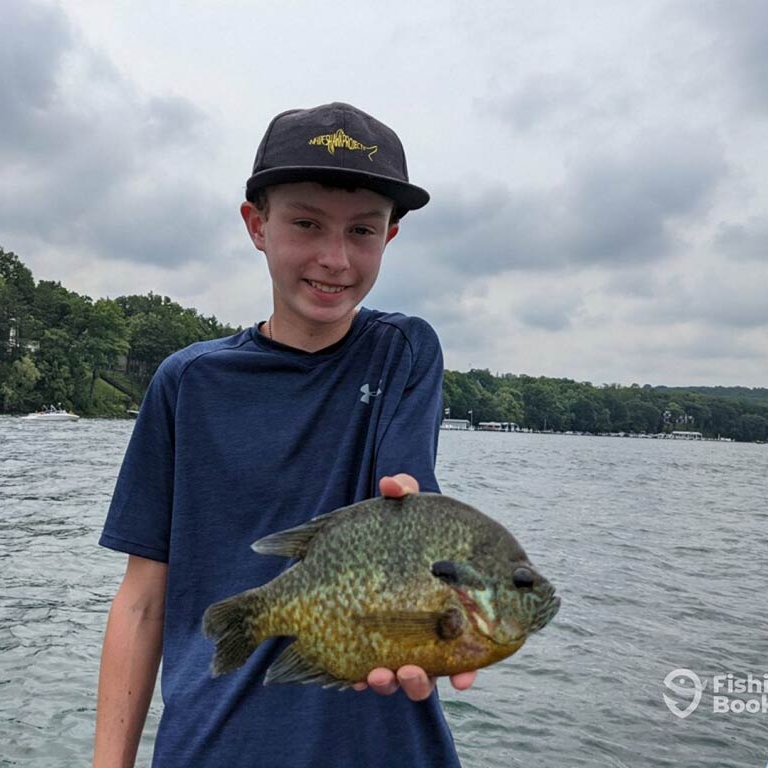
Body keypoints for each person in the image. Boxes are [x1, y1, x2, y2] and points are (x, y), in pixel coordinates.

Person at [93, 102, 475, 767]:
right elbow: (141, 601)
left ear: (389, 237)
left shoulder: (405, 350)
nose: (335, 258)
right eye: (306, 223)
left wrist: (436, 600)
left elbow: (403, 505)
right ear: (257, 224)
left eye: (362, 230)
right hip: (213, 746)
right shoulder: (187, 384)